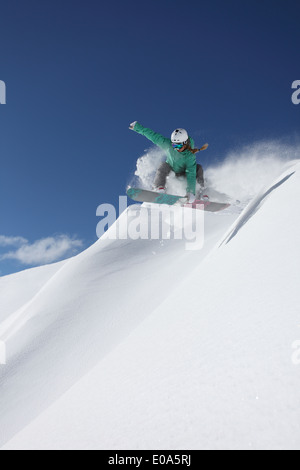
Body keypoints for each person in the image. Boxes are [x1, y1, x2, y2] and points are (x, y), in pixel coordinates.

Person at [129, 121, 206, 203]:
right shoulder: (168, 145)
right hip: (171, 171)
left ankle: (199, 194)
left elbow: (191, 174)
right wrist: (137, 127)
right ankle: (159, 188)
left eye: (178, 145)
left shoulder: (190, 156)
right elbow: (153, 136)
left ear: (185, 143)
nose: (176, 148)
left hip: (185, 174)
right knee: (163, 165)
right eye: (174, 145)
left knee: (198, 168)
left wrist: (191, 192)